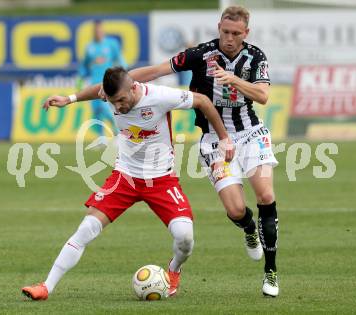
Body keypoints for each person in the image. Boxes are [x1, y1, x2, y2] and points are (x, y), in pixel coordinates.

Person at [51, 6, 280, 297]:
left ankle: (270, 273)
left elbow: (262, 96)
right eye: (225, 32)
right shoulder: (200, 54)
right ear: (218, 27)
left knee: (266, 195)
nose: (230, 38)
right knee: (235, 209)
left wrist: (232, 79)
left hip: (251, 134)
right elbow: (157, 70)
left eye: (236, 34)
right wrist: (112, 86)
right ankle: (249, 228)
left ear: (245, 33)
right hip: (213, 139)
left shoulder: (256, 57)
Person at [21, 66, 234, 300]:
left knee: (185, 237)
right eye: (113, 102)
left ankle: (173, 270)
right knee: (86, 229)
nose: (118, 106)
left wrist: (225, 139)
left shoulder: (160, 97)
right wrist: (69, 99)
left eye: (121, 100)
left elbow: (203, 101)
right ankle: (46, 287)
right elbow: (99, 91)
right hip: (125, 177)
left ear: (134, 88)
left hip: (162, 179)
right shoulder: (112, 94)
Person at [77, 20, 127, 136]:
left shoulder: (111, 44)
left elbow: (120, 59)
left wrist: (123, 73)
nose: (98, 32)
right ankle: (101, 138)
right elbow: (84, 66)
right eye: (96, 30)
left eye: (100, 30)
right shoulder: (89, 47)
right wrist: (80, 79)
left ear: (103, 30)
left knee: (106, 109)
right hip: (94, 83)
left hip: (107, 83)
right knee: (97, 112)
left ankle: (118, 134)